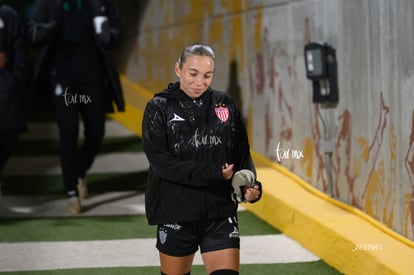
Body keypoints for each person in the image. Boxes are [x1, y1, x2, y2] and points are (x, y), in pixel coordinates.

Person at [142, 44, 262, 275]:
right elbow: (163, 164)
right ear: (178, 69)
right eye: (193, 73)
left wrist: (250, 185)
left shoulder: (224, 103)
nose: (200, 82)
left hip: (219, 211)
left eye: (208, 75)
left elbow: (240, 154)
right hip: (176, 212)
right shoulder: (158, 107)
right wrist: (214, 172)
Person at [26, 0, 124, 214]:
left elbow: (116, 33)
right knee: (68, 132)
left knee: (96, 131)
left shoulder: (100, 3)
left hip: (92, 79)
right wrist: (43, 30)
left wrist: (109, 35)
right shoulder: (47, 3)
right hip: (62, 78)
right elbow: (31, 31)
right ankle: (71, 190)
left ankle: (78, 172)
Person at [0, 0, 27, 175]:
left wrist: (13, 81)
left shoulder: (9, 15)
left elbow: (20, 53)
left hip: (5, 89)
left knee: (8, 136)